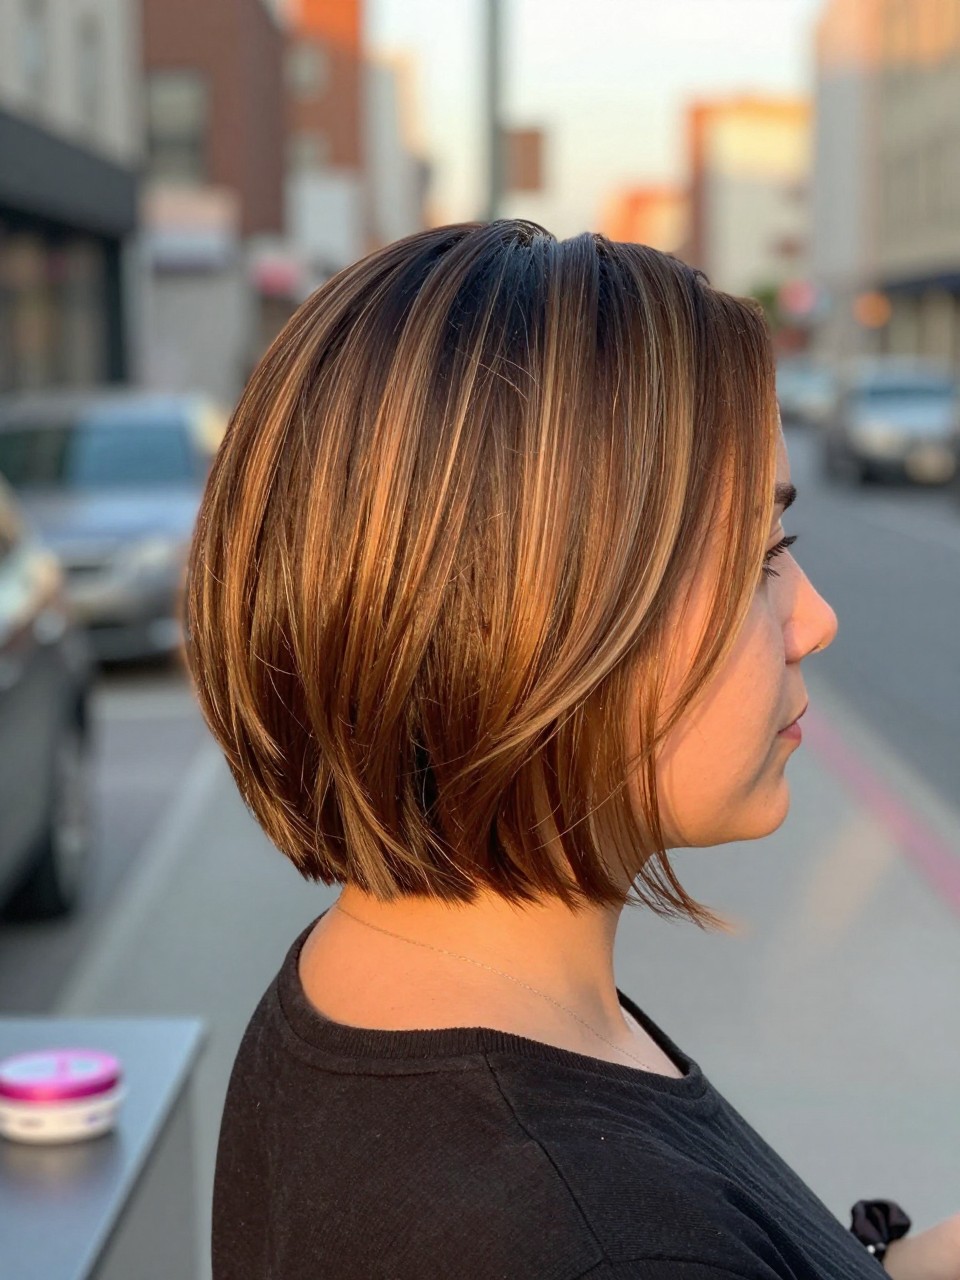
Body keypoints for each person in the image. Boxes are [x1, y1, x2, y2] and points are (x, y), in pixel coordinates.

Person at [187, 221, 955, 1278]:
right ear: (530, 619)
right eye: (759, 558)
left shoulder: (392, 986)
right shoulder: (578, 1229)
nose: (814, 617)